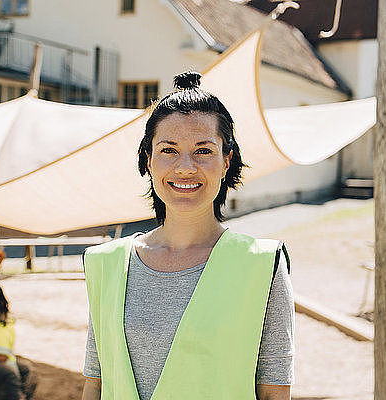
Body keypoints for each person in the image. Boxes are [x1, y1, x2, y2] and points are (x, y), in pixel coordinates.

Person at [81, 71, 294, 400]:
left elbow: (274, 393)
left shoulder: (262, 265)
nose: (185, 167)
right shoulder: (105, 263)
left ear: (226, 161)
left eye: (203, 151)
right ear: (148, 160)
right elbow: (96, 384)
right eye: (168, 150)